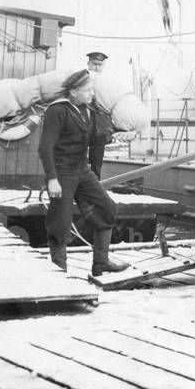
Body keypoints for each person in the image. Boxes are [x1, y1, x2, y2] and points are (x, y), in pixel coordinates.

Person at [39, 70, 127, 276]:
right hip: (62, 172)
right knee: (60, 221)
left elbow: (97, 145)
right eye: (87, 90)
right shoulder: (58, 110)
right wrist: (52, 179)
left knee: (106, 208)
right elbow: (45, 148)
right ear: (73, 92)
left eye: (92, 90)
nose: (91, 94)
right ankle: (60, 270)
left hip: (82, 171)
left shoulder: (90, 112)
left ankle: (101, 263)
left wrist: (94, 176)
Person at [85, 51, 113, 178]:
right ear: (88, 64)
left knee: (96, 163)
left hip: (99, 129)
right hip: (83, 125)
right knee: (79, 161)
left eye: (100, 64)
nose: (97, 67)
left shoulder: (107, 83)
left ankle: (94, 190)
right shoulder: (82, 79)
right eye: (94, 64)